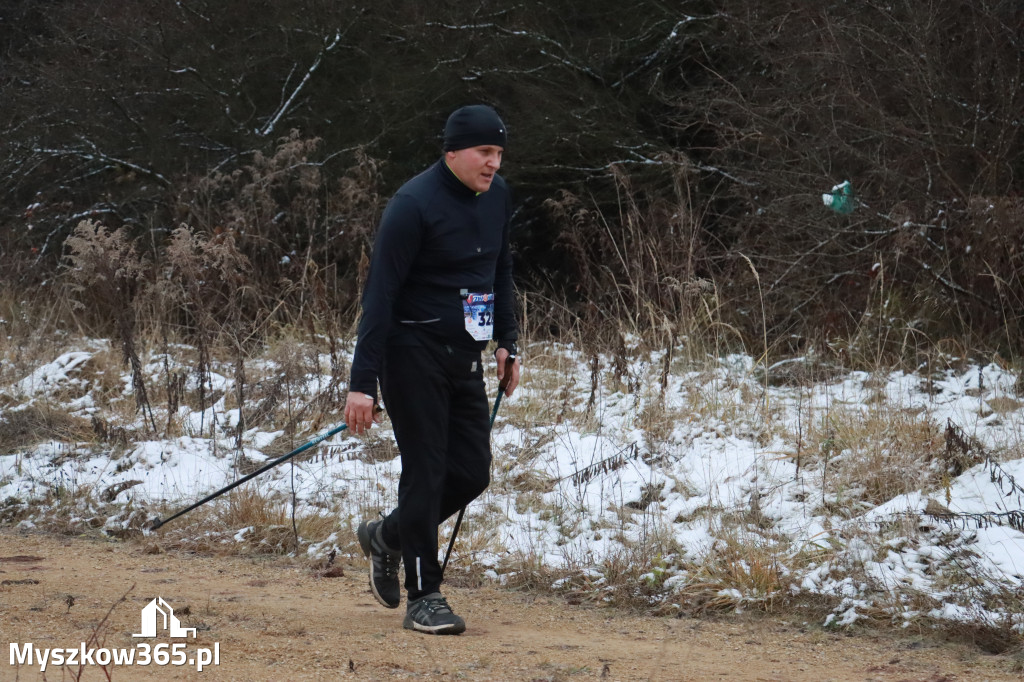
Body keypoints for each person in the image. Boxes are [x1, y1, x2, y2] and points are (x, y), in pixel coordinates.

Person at [344, 104, 520, 635]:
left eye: (498, 154)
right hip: (410, 352)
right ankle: (425, 597)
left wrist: (507, 343)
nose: (493, 164)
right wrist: (362, 383)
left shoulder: (499, 198)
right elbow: (379, 297)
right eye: (484, 153)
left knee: (471, 473)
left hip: (464, 353)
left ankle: (387, 536)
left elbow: (501, 269)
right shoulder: (412, 204)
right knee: (425, 472)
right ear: (453, 152)